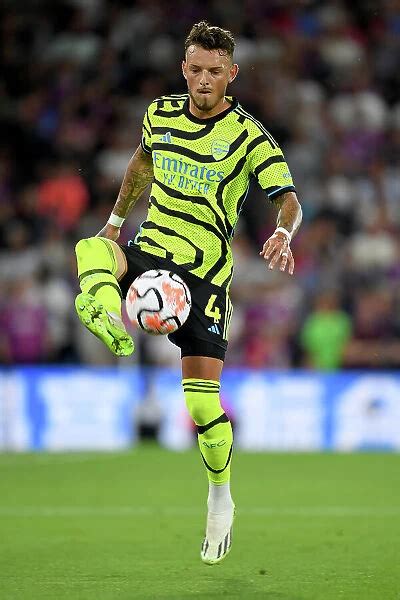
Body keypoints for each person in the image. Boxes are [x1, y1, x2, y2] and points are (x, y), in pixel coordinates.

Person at [74, 21, 302, 564]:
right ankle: (107, 312)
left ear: (232, 74)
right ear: (184, 69)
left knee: (202, 404)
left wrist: (283, 231)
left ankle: (220, 494)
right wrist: (113, 221)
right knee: (91, 249)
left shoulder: (249, 135)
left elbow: (288, 198)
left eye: (215, 72)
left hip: (204, 277)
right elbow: (141, 163)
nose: (204, 80)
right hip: (153, 251)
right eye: (196, 69)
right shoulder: (161, 114)